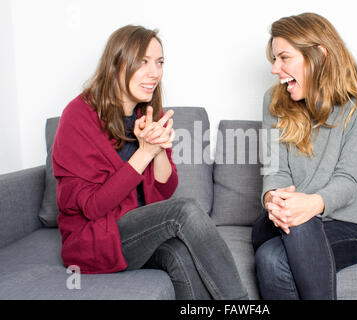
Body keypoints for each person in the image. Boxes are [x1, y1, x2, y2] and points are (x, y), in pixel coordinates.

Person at [52, 25, 248, 300]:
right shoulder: (78, 116)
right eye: (143, 62)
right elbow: (93, 207)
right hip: (96, 237)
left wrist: (158, 151)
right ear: (117, 63)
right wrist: (143, 153)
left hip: (138, 229)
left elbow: (164, 192)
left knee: (179, 254)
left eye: (159, 62)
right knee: (186, 210)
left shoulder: (146, 112)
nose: (154, 72)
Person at [252, 13, 357, 300]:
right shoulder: (273, 102)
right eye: (273, 59)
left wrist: (311, 204)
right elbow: (275, 171)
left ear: (319, 55)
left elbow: (350, 179)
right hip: (281, 220)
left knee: (272, 258)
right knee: (296, 222)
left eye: (284, 57)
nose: (274, 69)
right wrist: (273, 199)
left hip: (345, 227)